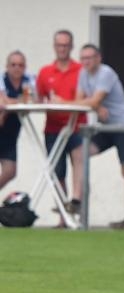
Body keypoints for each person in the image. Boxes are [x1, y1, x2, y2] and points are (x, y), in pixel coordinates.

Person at [71, 43, 124, 230]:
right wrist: (95, 105)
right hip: (107, 126)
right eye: (83, 58)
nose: (86, 62)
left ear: (98, 58)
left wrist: (95, 104)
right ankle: (76, 200)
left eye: (89, 58)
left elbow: (92, 100)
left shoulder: (106, 73)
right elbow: (81, 102)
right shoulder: (83, 74)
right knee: (79, 152)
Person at [35, 29, 85, 226]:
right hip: (53, 128)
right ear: (54, 47)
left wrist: (65, 102)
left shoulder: (81, 70)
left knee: (79, 162)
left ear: (71, 46)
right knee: (57, 172)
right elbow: (39, 98)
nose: (62, 48)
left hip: (78, 125)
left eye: (66, 45)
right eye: (59, 45)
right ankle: (64, 216)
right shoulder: (45, 72)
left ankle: (76, 203)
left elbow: (84, 98)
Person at [0, 51, 35, 191]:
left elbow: (32, 102)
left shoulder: (28, 80)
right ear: (7, 66)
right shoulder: (1, 78)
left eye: (20, 65)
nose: (17, 68)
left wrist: (9, 107)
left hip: (10, 134)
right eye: (13, 64)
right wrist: (19, 103)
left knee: (10, 171)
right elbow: (3, 101)